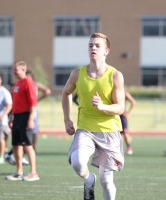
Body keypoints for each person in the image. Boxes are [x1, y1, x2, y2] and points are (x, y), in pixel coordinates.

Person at [62, 33, 125, 200]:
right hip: (85, 129)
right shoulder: (77, 74)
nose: (93, 48)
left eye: (97, 45)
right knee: (77, 162)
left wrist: (102, 106)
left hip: (109, 131)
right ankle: (89, 179)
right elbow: (66, 93)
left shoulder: (115, 75)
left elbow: (120, 107)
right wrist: (67, 119)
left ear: (106, 51)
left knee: (106, 180)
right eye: (90, 45)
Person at [6, 60, 39, 181]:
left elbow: (33, 103)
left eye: (16, 69)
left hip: (26, 116)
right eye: (13, 69)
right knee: (16, 145)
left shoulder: (28, 83)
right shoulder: (17, 84)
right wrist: (12, 116)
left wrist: (31, 119)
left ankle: (33, 173)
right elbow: (15, 103)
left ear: (23, 70)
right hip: (17, 117)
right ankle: (19, 172)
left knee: (28, 145)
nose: (14, 72)